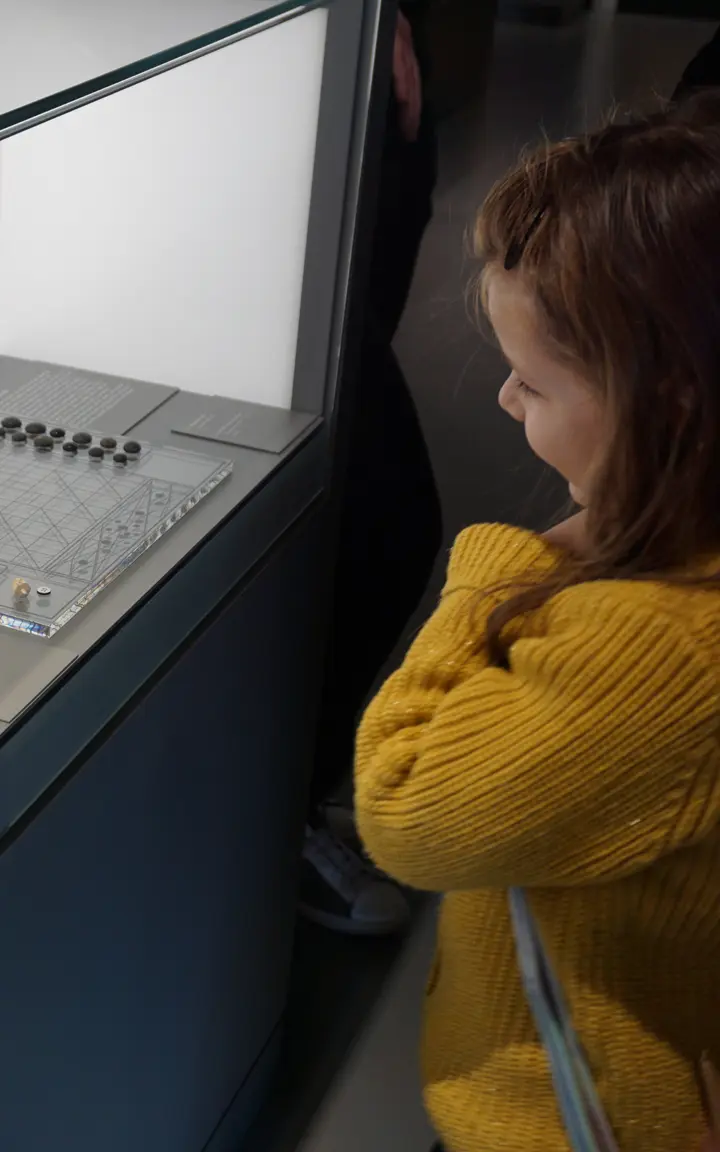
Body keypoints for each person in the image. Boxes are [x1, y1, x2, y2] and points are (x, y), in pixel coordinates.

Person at [354, 93, 720, 1152]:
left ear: (671, 401)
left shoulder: (660, 647)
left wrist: (495, 568)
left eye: (536, 382)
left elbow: (403, 804)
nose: (507, 401)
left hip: (564, 1123)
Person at [300, 3, 443, 935]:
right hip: (271, 78)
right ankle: (275, 806)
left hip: (363, 64)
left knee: (355, 511)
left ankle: (289, 788)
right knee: (385, 516)